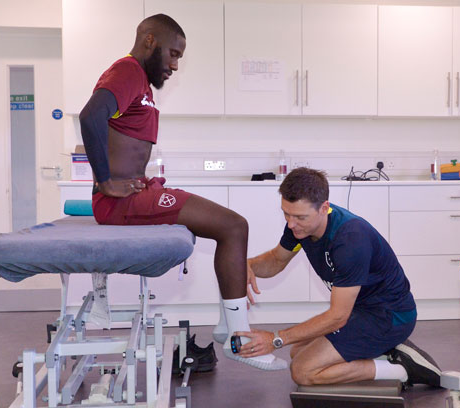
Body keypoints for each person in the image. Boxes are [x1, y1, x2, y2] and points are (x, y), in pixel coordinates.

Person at [78, 13, 286, 371]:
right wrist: (105, 181)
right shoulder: (127, 71)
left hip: (133, 193)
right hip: (120, 201)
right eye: (172, 54)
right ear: (149, 42)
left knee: (233, 226)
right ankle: (239, 339)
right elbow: (90, 116)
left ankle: (227, 327)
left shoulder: (139, 81)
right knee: (234, 226)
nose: (174, 65)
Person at [236, 167, 441, 387]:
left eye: (299, 217)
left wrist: (275, 339)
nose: (291, 223)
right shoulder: (300, 227)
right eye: (286, 213)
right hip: (361, 311)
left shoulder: (350, 240)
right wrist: (244, 265)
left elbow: (337, 316)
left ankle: (402, 370)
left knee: (303, 371)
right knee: (298, 351)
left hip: (389, 317)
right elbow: (276, 260)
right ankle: (384, 351)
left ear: (324, 207)